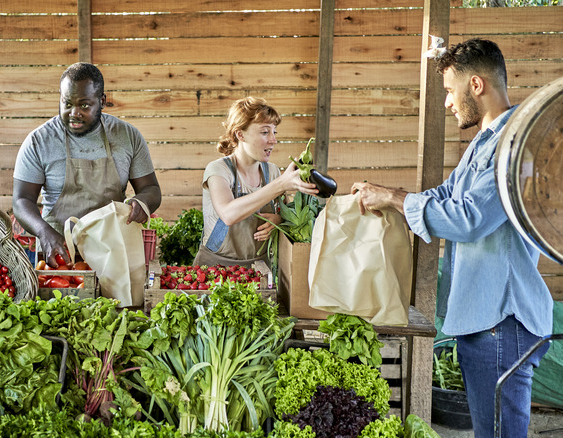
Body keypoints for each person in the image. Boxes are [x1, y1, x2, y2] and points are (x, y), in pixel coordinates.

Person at [351, 38, 552, 438]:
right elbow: (445, 196)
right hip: (485, 319)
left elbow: (471, 218)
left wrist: (393, 199)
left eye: (449, 91)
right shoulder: (485, 141)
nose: (447, 102)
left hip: (502, 319)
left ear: (475, 85)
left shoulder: (512, 147)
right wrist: (386, 195)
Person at [13, 62, 161, 269]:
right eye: (67, 104)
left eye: (84, 105)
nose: (74, 113)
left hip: (112, 249)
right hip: (59, 253)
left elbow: (151, 189)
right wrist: (43, 231)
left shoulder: (127, 136)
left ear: (101, 101)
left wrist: (142, 202)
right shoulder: (39, 141)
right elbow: (21, 199)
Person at [193, 97, 318, 267]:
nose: (273, 140)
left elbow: (285, 214)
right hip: (213, 269)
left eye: (274, 132)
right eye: (265, 132)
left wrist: (278, 220)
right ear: (240, 134)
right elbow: (229, 214)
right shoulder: (219, 170)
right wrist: (281, 184)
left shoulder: (272, 172)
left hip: (260, 270)